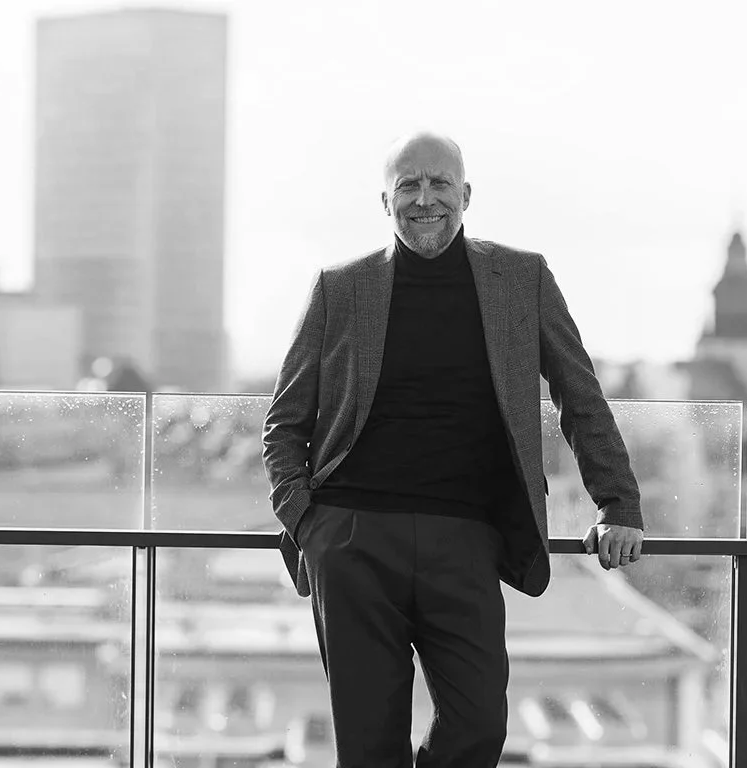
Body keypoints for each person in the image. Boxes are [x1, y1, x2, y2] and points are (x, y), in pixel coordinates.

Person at [261, 131, 644, 767]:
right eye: (407, 185)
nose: (424, 198)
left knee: (478, 730)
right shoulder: (339, 287)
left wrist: (619, 503)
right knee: (367, 747)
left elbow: (579, 396)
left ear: (465, 194)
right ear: (385, 202)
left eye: (439, 183)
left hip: (467, 537)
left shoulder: (522, 278)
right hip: (352, 540)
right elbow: (285, 422)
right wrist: (309, 523)